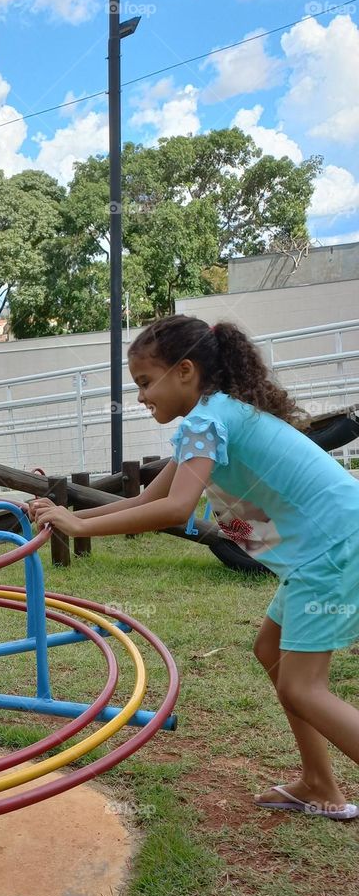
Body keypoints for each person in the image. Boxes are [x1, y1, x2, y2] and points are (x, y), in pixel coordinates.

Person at [30, 314, 359, 821]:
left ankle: (323, 783)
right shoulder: (214, 417)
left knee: (302, 686)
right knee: (270, 649)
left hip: (333, 548)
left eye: (144, 382)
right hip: (326, 546)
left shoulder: (207, 421)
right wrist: (71, 516)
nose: (139, 396)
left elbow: (176, 509)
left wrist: (78, 529)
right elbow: (147, 498)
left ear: (184, 371)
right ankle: (319, 783)